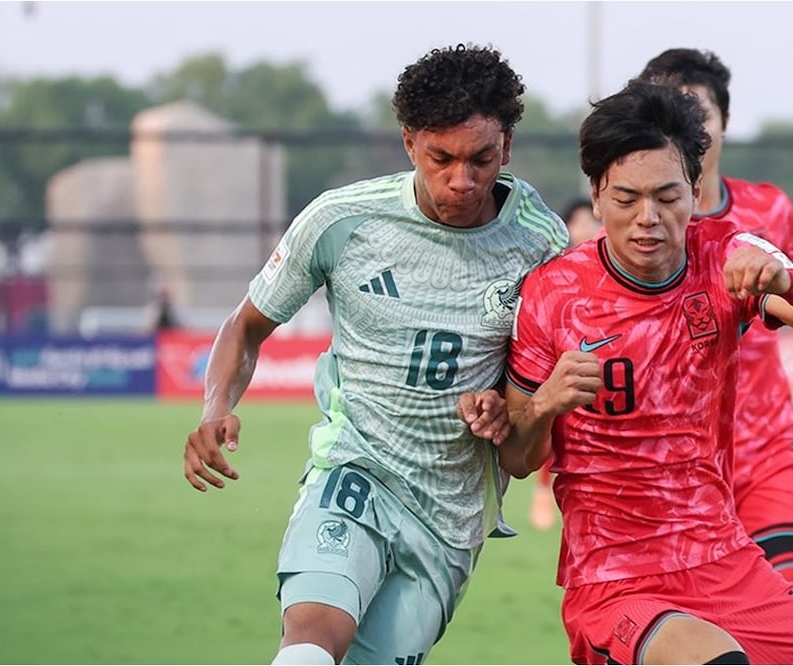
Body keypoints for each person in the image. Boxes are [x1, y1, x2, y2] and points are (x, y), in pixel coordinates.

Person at [181, 44, 568, 666]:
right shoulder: (342, 220)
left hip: (451, 515)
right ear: (409, 141)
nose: (462, 180)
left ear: (509, 146)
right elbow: (245, 326)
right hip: (355, 473)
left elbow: (529, 404)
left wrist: (503, 408)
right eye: (442, 158)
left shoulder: (542, 244)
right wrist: (214, 405)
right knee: (309, 643)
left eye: (481, 159)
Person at [501, 80, 793, 665]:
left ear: (695, 190)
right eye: (626, 199)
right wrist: (546, 403)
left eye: (667, 196)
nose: (647, 218)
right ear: (597, 197)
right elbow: (516, 460)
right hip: (615, 581)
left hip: (724, 559)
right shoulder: (553, 293)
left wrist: (791, 281)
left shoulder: (725, 255)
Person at [637, 47, 793, 614]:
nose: (685, 125)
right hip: (676, 461)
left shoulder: (768, 210)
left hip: (766, 441)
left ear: (723, 123)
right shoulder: (636, 230)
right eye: (667, 112)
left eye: (697, 111)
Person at [529, 196, 602, 530]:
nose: (586, 229)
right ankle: (544, 490)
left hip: (606, 358)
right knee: (555, 417)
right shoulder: (554, 275)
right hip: (564, 355)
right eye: (579, 222)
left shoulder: (618, 268)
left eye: (592, 222)